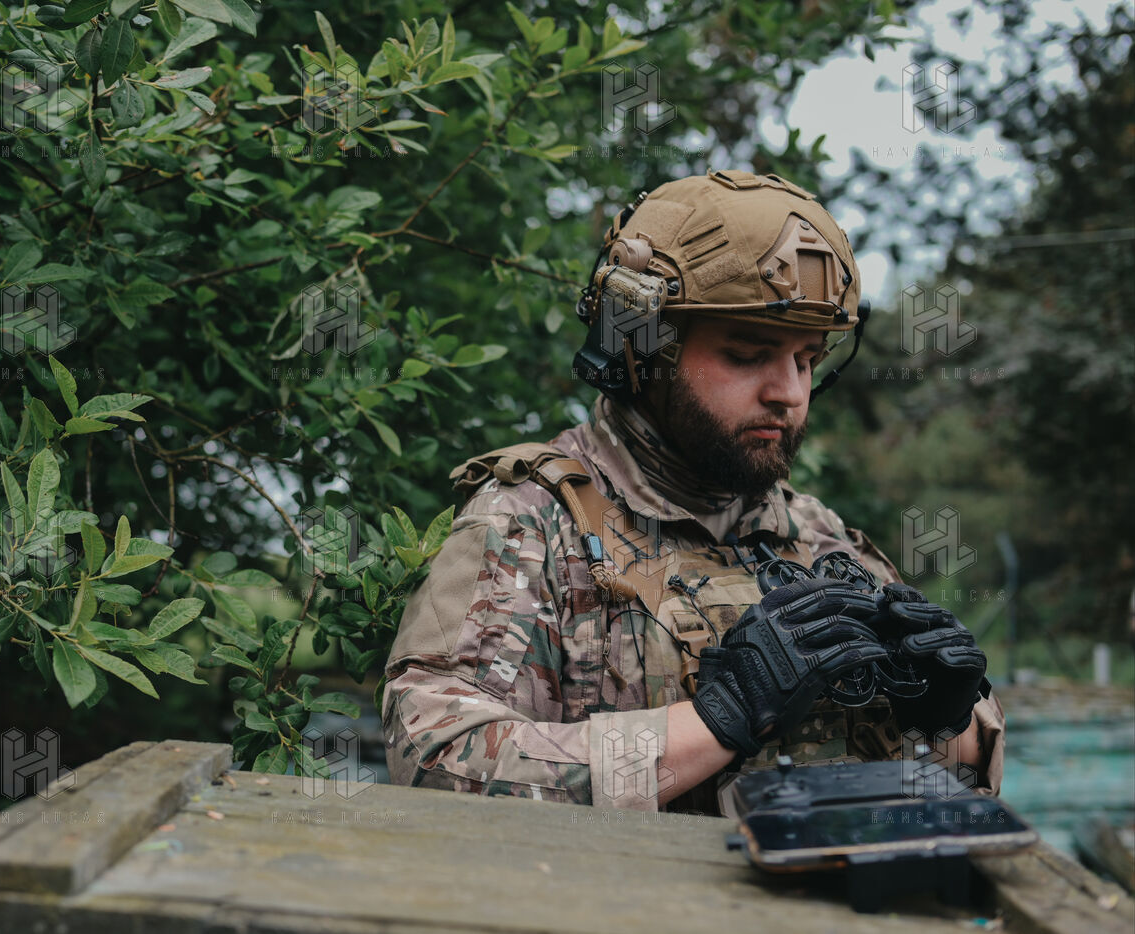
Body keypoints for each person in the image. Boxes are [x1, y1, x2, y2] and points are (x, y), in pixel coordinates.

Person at [380, 170, 1005, 814]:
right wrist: (718, 719)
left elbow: (951, 783)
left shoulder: (822, 539)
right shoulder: (532, 523)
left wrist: (946, 724)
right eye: (747, 354)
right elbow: (436, 761)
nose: (789, 393)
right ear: (642, 349)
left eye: (807, 359)